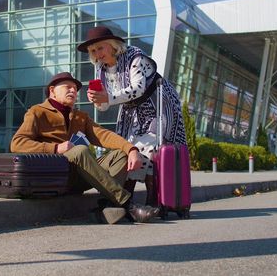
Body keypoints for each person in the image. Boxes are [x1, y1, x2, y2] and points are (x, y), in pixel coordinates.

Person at [10, 72, 158, 224]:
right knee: (79, 150)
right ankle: (128, 204)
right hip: (57, 177)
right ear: (52, 90)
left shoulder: (80, 116)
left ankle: (105, 206)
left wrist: (131, 149)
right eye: (68, 87)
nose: (73, 91)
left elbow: (104, 135)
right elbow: (17, 143)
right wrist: (55, 148)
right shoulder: (37, 112)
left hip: (83, 175)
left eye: (75, 89)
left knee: (121, 155)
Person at [77, 26, 187, 206]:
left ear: (113, 45)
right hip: (132, 111)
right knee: (128, 148)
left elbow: (138, 88)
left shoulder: (136, 57)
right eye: (93, 51)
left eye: (100, 48)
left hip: (158, 105)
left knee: (149, 148)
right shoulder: (101, 70)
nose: (97, 53)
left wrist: (109, 98)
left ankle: (149, 198)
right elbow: (105, 106)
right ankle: (130, 198)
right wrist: (98, 100)